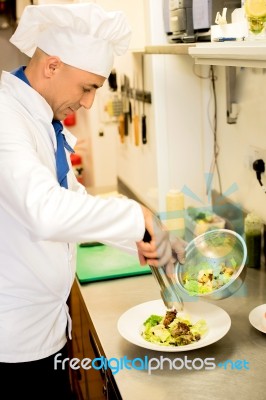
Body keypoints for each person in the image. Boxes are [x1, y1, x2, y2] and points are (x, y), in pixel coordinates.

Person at [0, 2, 186, 399]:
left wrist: (135, 236)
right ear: (52, 65)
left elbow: (71, 197)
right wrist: (137, 215)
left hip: (44, 329)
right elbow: (45, 211)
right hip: (10, 344)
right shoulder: (5, 117)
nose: (88, 103)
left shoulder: (39, 117)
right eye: (87, 88)